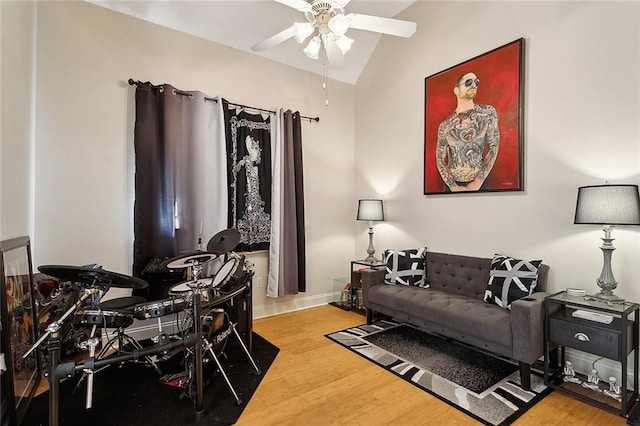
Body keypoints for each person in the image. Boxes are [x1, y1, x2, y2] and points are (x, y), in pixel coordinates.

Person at [436, 72, 500, 192]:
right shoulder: (445, 126)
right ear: (456, 90)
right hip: (452, 187)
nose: (474, 85)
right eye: (468, 82)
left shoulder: (487, 113)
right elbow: (440, 159)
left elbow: (493, 147)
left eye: (476, 82)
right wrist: (453, 186)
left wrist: (478, 182)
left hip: (479, 184)